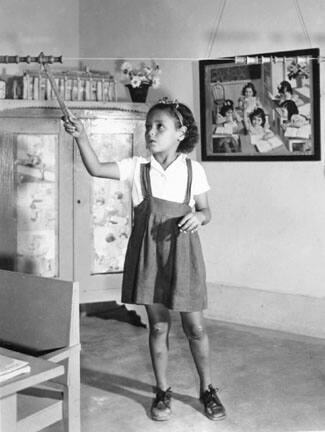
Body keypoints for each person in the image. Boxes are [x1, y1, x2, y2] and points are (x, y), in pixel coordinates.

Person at [62, 98, 226, 422]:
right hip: (149, 258)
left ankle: (207, 388)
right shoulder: (137, 168)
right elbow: (96, 168)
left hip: (184, 256)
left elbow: (207, 211)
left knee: (194, 327)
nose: (150, 132)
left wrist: (199, 217)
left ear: (181, 133)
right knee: (159, 325)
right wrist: (81, 136)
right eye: (148, 127)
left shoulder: (194, 170)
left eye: (159, 127)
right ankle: (163, 390)